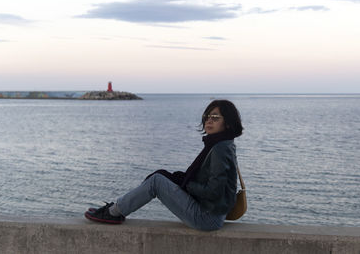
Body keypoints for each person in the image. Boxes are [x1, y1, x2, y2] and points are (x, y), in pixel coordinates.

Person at [85, 99, 243, 231]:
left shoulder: (219, 148)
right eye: (207, 116)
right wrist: (183, 182)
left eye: (215, 117)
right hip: (214, 214)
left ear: (227, 123)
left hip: (207, 218)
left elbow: (214, 191)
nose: (209, 120)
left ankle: (113, 213)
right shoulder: (223, 144)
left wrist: (187, 185)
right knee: (160, 177)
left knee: (156, 182)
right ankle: (116, 210)